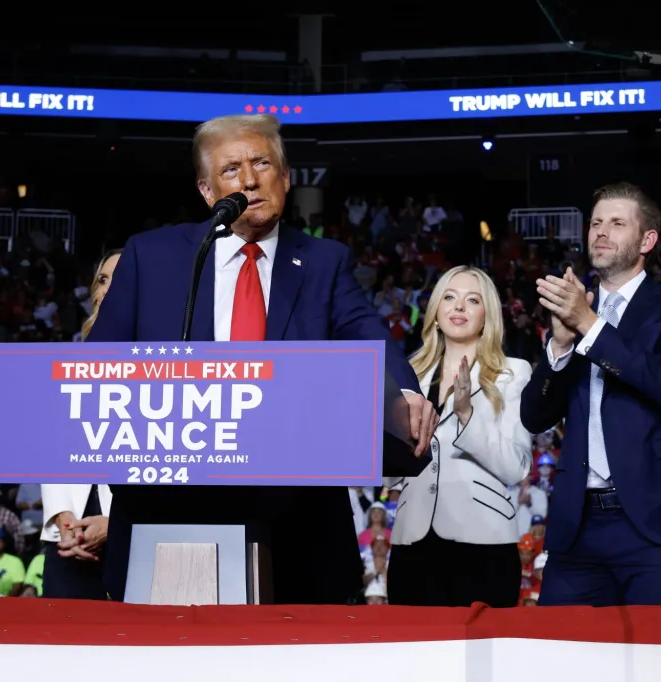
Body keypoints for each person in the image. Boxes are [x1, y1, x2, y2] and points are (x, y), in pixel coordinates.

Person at [88, 113, 439, 604]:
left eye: (262, 163)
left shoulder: (324, 261)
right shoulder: (153, 256)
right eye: (231, 170)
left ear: (287, 177)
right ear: (208, 191)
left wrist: (402, 392)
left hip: (296, 516)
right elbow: (99, 365)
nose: (250, 180)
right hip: (169, 511)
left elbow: (367, 335)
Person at [520, 182, 661, 606]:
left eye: (617, 223)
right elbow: (535, 416)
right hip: (578, 526)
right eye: (596, 223)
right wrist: (560, 346)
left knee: (654, 664)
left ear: (647, 240)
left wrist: (589, 325)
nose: (601, 232)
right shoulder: (573, 315)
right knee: (558, 658)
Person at [388, 266, 532, 607]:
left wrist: (468, 414)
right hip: (413, 542)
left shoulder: (512, 373)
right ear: (436, 311)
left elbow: (516, 467)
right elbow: (389, 475)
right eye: (450, 298)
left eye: (472, 300)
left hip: (485, 543)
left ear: (488, 316)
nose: (459, 307)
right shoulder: (408, 374)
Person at [40, 249, 120, 599]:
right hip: (69, 539)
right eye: (103, 280)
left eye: (121, 279)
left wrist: (118, 525)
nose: (108, 288)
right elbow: (51, 451)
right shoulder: (68, 364)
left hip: (133, 533)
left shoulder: (172, 362)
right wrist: (63, 520)